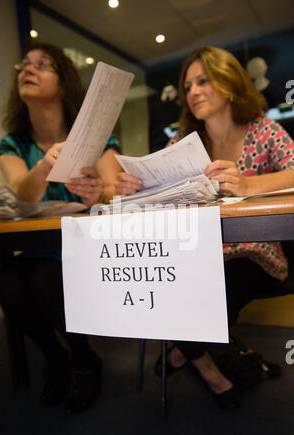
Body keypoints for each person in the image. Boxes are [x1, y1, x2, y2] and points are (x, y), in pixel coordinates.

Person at [114, 46, 294, 409]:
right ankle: (208, 367)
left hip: (255, 253)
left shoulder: (263, 130)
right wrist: (132, 187)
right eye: (188, 85)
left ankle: (183, 354)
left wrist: (248, 184)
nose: (192, 91)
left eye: (203, 81)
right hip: (195, 251)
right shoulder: (183, 143)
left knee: (214, 289)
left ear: (229, 83)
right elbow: (156, 191)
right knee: (167, 282)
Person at [0, 43, 122, 412]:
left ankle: (84, 361)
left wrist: (98, 192)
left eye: (42, 64)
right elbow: (22, 194)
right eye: (25, 65)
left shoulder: (97, 136)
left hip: (83, 247)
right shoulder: (13, 143)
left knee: (46, 280)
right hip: (37, 247)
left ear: (64, 84)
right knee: (8, 284)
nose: (28, 70)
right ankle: (55, 358)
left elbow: (114, 192)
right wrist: (43, 167)